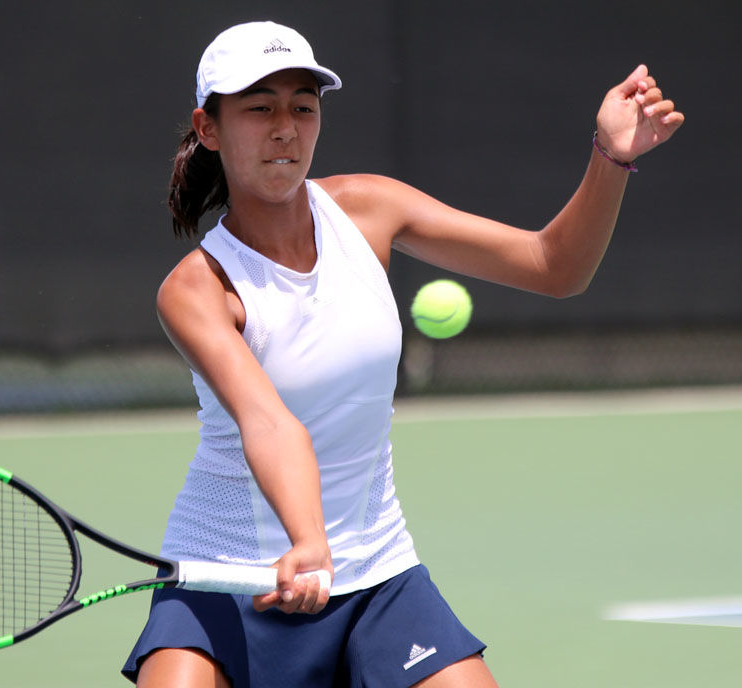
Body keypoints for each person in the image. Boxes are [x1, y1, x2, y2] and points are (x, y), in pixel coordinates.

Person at [122, 20, 683, 688]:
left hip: (376, 573)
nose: (285, 127)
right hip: (228, 575)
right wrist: (306, 540)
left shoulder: (369, 209)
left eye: (303, 106)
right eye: (258, 108)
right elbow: (269, 423)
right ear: (209, 128)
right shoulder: (196, 288)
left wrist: (611, 157)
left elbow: (555, 266)